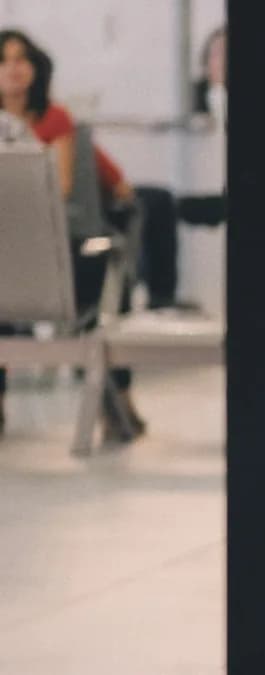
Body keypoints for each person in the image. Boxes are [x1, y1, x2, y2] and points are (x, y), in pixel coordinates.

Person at [0, 29, 145, 439]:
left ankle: (118, 400)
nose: (13, 68)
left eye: (20, 58)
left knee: (95, 281)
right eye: (4, 59)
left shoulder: (55, 119)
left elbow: (59, 187)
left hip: (49, 233)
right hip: (5, 237)